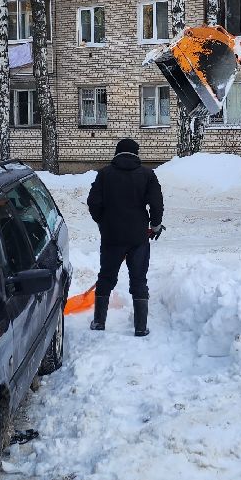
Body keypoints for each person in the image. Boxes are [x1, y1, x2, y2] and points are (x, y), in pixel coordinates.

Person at [87, 137, 163, 337]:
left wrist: (103, 221)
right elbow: (156, 204)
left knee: (106, 277)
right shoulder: (147, 175)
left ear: (117, 153)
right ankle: (140, 327)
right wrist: (155, 226)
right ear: (136, 154)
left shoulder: (105, 175)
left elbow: (93, 203)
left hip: (111, 236)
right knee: (138, 279)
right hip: (138, 236)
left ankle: (99, 322)